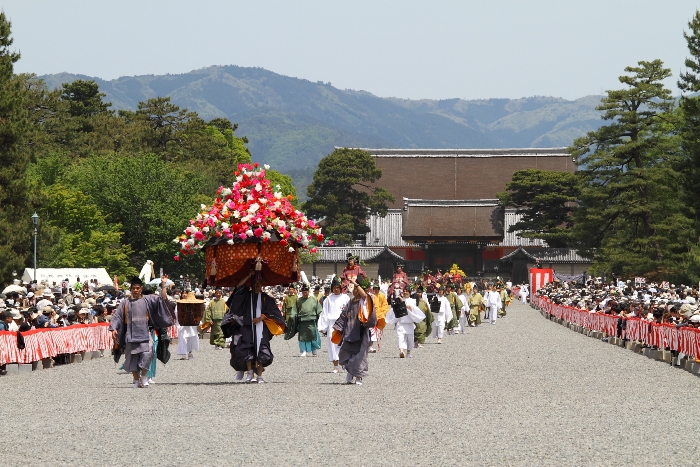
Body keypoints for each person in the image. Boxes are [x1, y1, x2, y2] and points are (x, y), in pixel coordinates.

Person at [109, 275, 174, 389]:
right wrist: (114, 328)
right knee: (132, 357)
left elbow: (162, 299)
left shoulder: (148, 299)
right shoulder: (125, 302)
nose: (135, 290)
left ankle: (143, 376)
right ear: (131, 289)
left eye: (137, 288)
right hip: (130, 334)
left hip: (144, 333)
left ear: (141, 288)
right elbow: (117, 316)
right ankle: (135, 379)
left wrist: (163, 285)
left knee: (148, 353)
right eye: (133, 288)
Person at [227, 271, 286, 384]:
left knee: (262, 352)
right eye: (255, 282)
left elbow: (272, 312)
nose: (257, 284)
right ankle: (249, 372)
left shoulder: (266, 298)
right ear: (252, 283)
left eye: (259, 282)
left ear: (262, 284)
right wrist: (248, 275)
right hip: (247, 327)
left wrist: (261, 317)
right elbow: (238, 287)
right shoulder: (246, 296)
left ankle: (259, 376)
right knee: (247, 350)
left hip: (261, 328)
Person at [332, 276, 377, 385]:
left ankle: (358, 377)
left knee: (359, 356)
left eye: (357, 288)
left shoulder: (365, 300)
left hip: (361, 331)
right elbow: (343, 315)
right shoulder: (351, 301)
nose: (355, 290)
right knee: (346, 353)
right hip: (350, 332)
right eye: (354, 289)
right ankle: (350, 373)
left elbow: (364, 295)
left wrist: (354, 282)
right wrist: (338, 327)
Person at [317, 277, 349, 373]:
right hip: (332, 323)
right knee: (332, 344)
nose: (336, 289)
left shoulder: (346, 298)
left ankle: (344, 363)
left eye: (337, 287)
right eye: (334, 287)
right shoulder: (328, 299)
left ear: (340, 287)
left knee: (343, 344)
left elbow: (349, 312)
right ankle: (336, 366)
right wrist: (322, 326)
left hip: (343, 323)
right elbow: (324, 313)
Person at [385, 288, 425, 358]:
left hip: (409, 323)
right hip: (401, 322)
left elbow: (411, 308)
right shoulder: (399, 299)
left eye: (407, 291)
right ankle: (401, 351)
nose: (405, 292)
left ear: (409, 292)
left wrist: (403, 302)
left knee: (410, 339)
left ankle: (408, 352)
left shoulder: (412, 300)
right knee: (400, 337)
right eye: (404, 291)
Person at [286, 284, 322, 357]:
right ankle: (304, 350)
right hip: (302, 320)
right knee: (302, 337)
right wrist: (292, 315)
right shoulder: (299, 300)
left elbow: (319, 309)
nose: (305, 293)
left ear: (308, 292)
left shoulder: (314, 299)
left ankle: (314, 349)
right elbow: (295, 310)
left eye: (306, 292)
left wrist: (321, 315)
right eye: (303, 292)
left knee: (313, 335)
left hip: (311, 320)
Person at [176, 290, 201, 359]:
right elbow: (177, 313)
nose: (184, 295)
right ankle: (183, 354)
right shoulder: (179, 304)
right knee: (183, 338)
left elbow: (198, 313)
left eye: (185, 293)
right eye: (183, 293)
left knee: (191, 338)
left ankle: (190, 353)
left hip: (191, 325)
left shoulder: (194, 304)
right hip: (183, 325)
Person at [368, 283, 389, 353]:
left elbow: (385, 305)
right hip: (372, 315)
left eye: (377, 288)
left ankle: (370, 346)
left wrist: (383, 312)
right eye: (375, 288)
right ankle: (369, 346)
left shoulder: (382, 296)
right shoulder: (370, 296)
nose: (376, 290)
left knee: (376, 331)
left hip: (380, 315)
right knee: (371, 330)